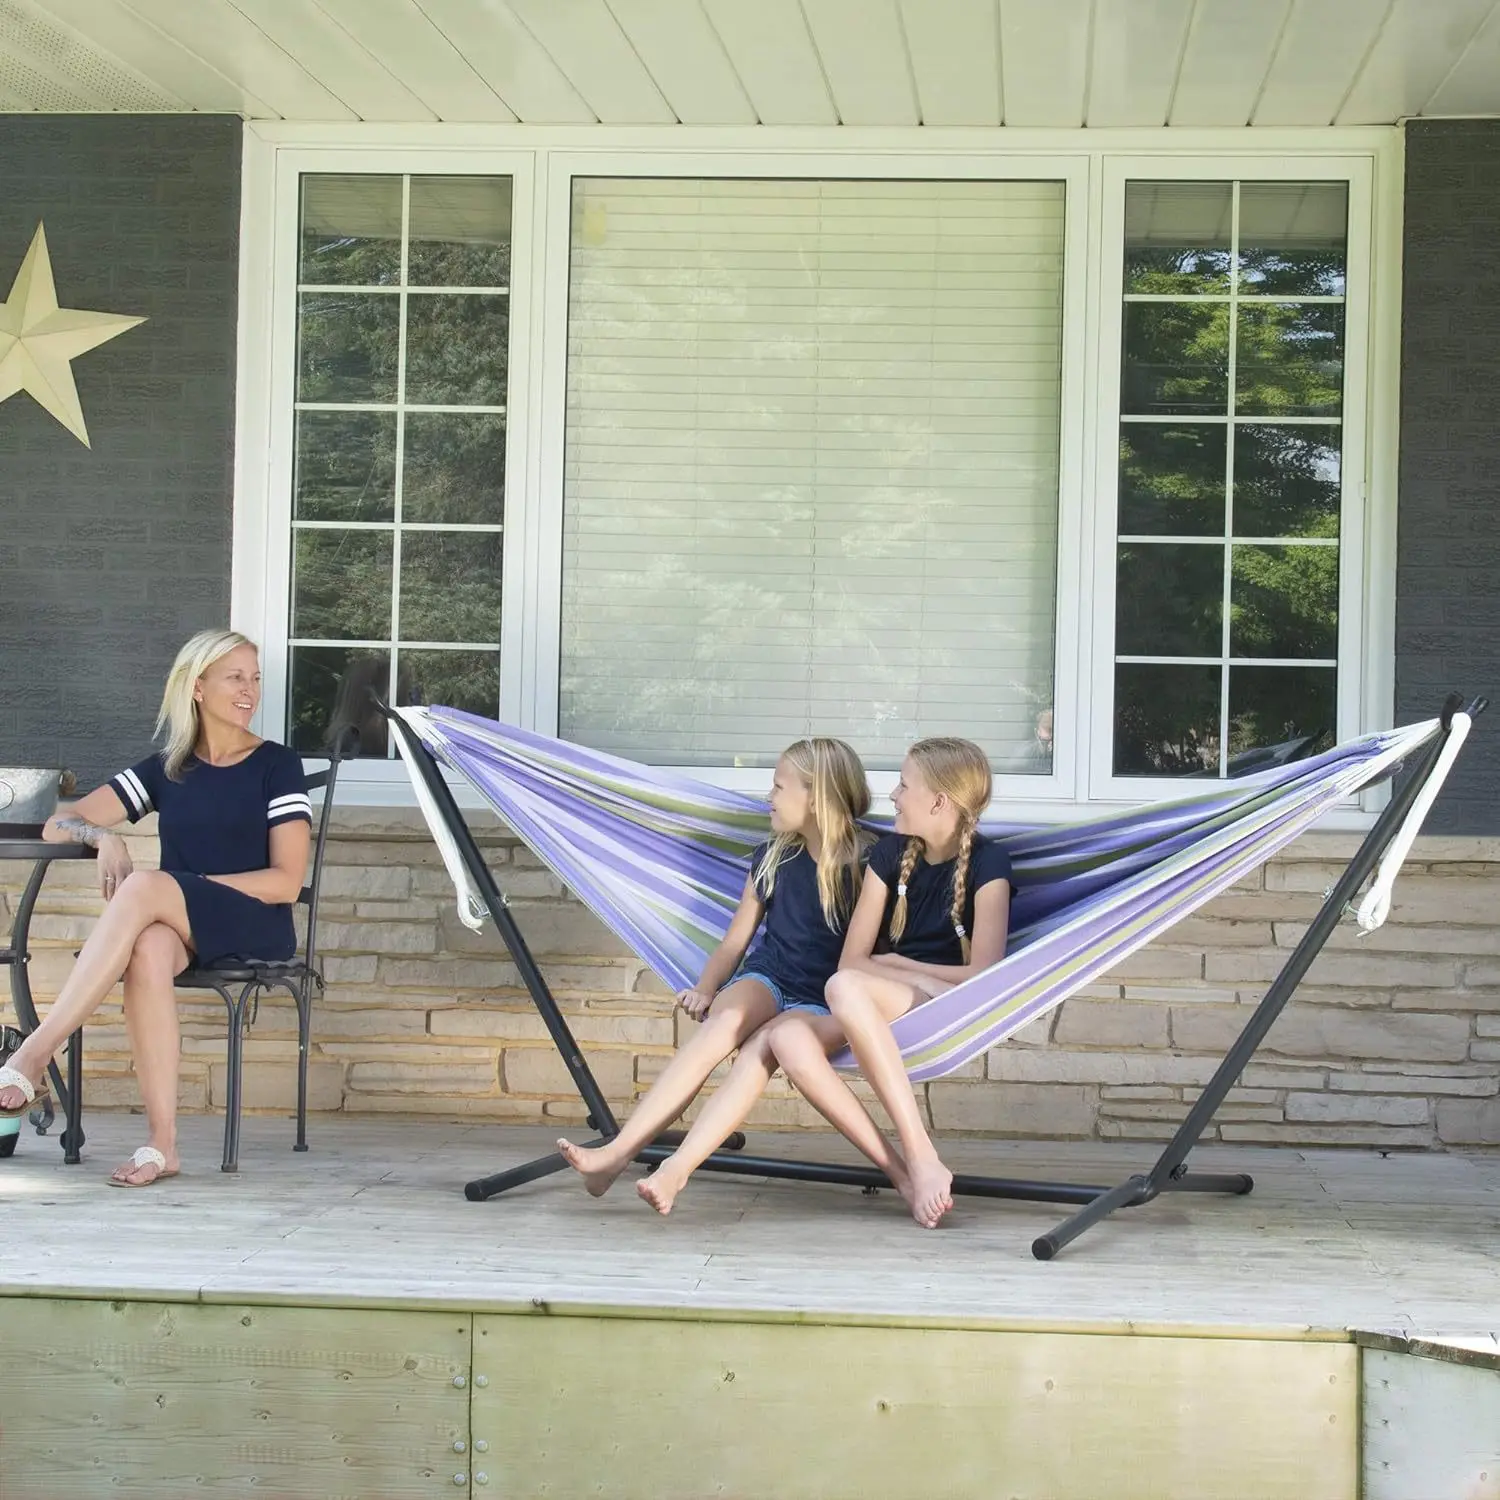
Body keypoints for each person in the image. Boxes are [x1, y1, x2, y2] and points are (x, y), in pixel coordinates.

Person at [0, 630, 312, 1187]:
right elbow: (59, 821)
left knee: (144, 888)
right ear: (197, 687)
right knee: (145, 946)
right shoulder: (170, 768)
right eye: (235, 677)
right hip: (181, 925)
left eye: (255, 678)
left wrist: (180, 886)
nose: (250, 690)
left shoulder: (276, 765)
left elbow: (287, 881)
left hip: (253, 920)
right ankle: (162, 1145)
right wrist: (103, 839)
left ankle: (35, 1050)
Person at [555, 738, 870, 1209]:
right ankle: (617, 1153)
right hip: (768, 978)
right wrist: (706, 988)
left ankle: (675, 1170)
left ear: (815, 795)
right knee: (724, 1023)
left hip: (822, 1002)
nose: (769, 797)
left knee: (757, 1055)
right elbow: (734, 942)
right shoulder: (772, 856)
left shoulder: (869, 863)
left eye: (778, 787)